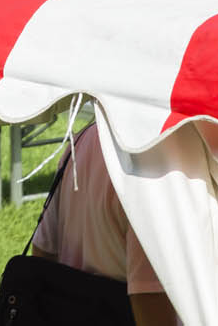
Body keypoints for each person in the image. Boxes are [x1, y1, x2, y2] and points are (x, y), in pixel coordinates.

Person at [30, 124, 176, 326]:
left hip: (67, 312)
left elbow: (43, 252)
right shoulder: (152, 159)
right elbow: (148, 297)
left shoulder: (82, 140)